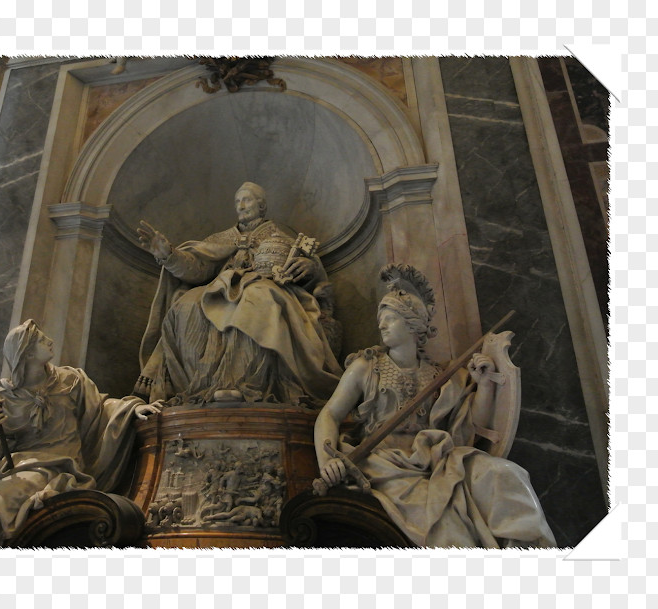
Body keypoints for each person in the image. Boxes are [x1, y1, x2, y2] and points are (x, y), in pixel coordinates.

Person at [314, 264, 557, 548]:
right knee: (446, 524)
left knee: (505, 473)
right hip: (385, 467)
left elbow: (469, 428)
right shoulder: (366, 367)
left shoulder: (441, 376)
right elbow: (330, 414)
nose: (381, 325)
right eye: (381, 318)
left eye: (390, 318)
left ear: (413, 324)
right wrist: (326, 460)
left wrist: (485, 384)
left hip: (439, 460)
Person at [0, 319, 162, 548]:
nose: (50, 341)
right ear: (27, 353)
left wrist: (132, 408)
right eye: (42, 340)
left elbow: (101, 409)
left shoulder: (71, 381)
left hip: (56, 467)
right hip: (16, 469)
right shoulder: (3, 396)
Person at [135, 182, 343, 406]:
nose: (241, 206)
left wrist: (308, 267)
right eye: (237, 201)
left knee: (258, 296)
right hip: (219, 289)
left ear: (262, 206)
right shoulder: (219, 240)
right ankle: (203, 385)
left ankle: (245, 383)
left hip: (264, 287)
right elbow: (198, 268)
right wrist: (169, 255)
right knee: (185, 303)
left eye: (247, 200)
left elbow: (314, 275)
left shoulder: (282, 239)